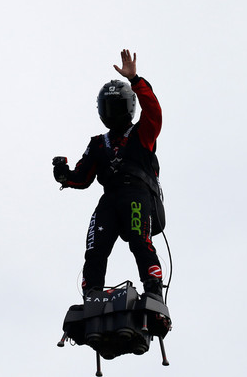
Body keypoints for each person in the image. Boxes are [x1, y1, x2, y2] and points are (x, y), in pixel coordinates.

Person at [53, 49, 165, 300]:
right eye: (108, 107)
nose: (113, 112)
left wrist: (135, 81)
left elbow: (154, 112)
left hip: (136, 193)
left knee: (140, 241)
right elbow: (81, 177)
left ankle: (154, 291)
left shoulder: (142, 133)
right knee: (94, 248)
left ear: (128, 108)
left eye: (118, 106)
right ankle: (92, 295)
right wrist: (63, 175)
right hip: (110, 198)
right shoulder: (97, 143)